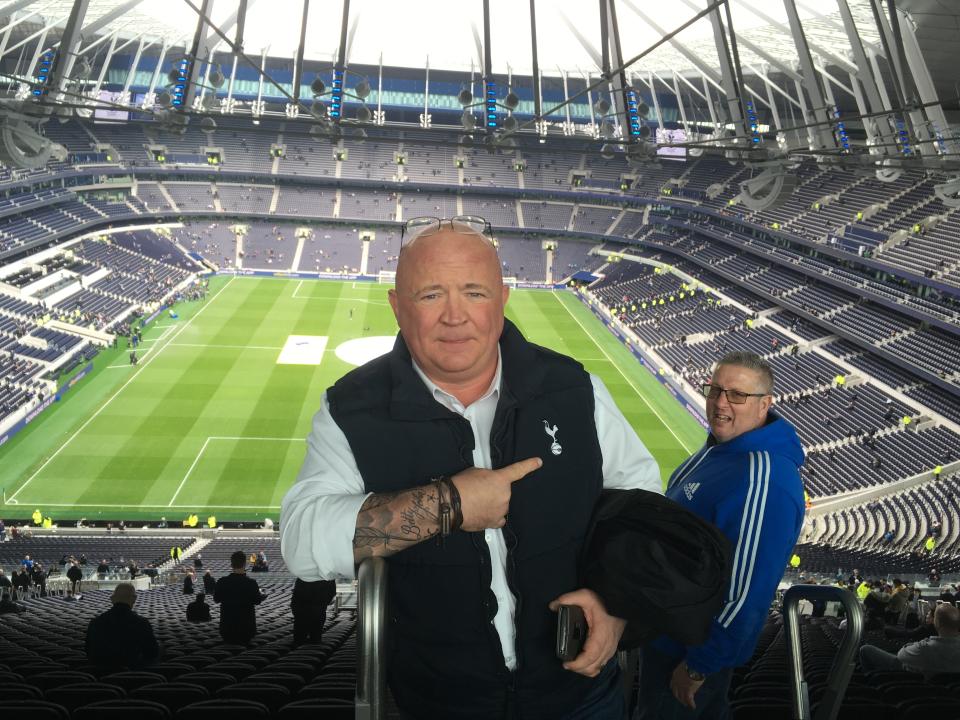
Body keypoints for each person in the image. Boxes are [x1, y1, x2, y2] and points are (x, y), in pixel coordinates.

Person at [281, 217, 661, 719]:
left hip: (581, 696)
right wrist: (448, 504)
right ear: (398, 307)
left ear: (503, 300)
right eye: (431, 295)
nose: (455, 317)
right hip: (435, 703)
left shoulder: (574, 389)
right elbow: (302, 544)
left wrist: (614, 602)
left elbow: (642, 502)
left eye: (474, 293)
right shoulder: (351, 409)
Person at [635, 351, 805, 719]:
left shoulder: (767, 479)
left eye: (737, 395)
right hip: (665, 633)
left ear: (765, 404)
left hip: (691, 652)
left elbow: (748, 589)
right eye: (714, 390)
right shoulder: (720, 451)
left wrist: (700, 665)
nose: (720, 403)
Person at [860, 603, 960, 678]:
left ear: (936, 623)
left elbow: (901, 656)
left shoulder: (925, 648)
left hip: (915, 676)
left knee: (865, 649)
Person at [85, 583, 160, 669]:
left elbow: (88, 651)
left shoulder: (95, 623)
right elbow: (151, 653)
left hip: (100, 673)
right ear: (134, 599)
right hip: (133, 672)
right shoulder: (142, 623)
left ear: (112, 599)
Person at [213, 550, 266, 645]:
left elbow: (216, 599)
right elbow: (257, 601)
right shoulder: (251, 583)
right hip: (247, 629)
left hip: (227, 628)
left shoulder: (222, 582)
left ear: (231, 564)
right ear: (244, 564)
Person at [291, 577, 336, 645]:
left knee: (301, 627)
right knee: (316, 627)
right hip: (318, 604)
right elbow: (332, 591)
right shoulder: (327, 575)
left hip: (303, 604)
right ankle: (314, 640)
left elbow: (297, 591)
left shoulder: (303, 574)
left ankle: (301, 641)